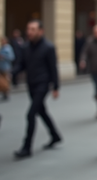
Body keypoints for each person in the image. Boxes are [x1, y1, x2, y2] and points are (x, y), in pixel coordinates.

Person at [13, 20, 62, 159]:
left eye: (33, 29)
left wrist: (56, 87)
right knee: (41, 111)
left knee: (30, 114)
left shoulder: (48, 47)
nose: (30, 31)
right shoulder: (26, 47)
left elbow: (53, 68)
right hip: (31, 84)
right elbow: (21, 64)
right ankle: (55, 135)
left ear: (41, 31)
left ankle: (26, 147)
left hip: (43, 84)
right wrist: (12, 72)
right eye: (28, 29)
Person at [79, 25, 97, 118]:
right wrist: (83, 60)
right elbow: (84, 52)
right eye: (96, 33)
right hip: (95, 70)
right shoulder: (90, 42)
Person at [0, 36, 15, 100]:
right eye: (1, 41)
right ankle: (3, 92)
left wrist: (4, 57)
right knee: (2, 81)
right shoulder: (0, 48)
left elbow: (12, 57)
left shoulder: (8, 48)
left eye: (3, 41)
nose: (2, 42)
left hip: (6, 67)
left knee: (6, 80)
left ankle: (7, 93)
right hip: (0, 66)